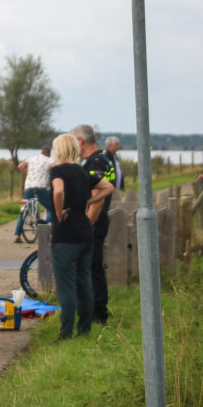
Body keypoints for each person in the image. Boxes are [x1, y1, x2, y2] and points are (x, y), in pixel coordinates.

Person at [50, 134, 114, 339]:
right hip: (86, 233)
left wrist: (59, 212)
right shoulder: (83, 170)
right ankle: (84, 329)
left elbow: (58, 191)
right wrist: (88, 201)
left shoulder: (57, 170)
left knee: (66, 285)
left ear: (58, 150)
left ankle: (66, 332)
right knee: (84, 281)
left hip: (66, 235)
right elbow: (108, 187)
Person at [71, 124, 115, 325]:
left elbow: (97, 198)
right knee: (93, 266)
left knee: (93, 266)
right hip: (96, 222)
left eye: (73, 140)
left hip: (94, 223)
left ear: (80, 140)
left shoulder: (96, 161)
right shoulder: (100, 159)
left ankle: (98, 314)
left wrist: (86, 226)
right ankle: (98, 310)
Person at [14, 146, 55, 243]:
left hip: (28, 187)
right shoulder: (49, 160)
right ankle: (44, 223)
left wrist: (27, 174)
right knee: (52, 208)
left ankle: (17, 235)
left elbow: (20, 166)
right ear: (49, 153)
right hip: (41, 188)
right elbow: (55, 168)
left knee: (24, 211)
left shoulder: (32, 158)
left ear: (41, 152)